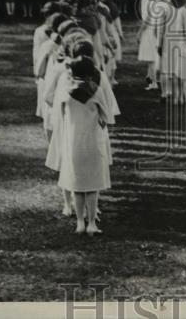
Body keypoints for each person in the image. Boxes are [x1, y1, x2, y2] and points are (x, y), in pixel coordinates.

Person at [53, 51, 118, 236]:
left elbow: (61, 114)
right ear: (90, 73)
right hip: (92, 140)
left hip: (73, 141)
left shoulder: (66, 91)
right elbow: (107, 116)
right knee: (92, 185)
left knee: (77, 184)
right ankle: (91, 223)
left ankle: (79, 222)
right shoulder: (95, 90)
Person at [137, 0, 161, 90]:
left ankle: (154, 82)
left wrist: (140, 32)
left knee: (151, 58)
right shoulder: (156, 2)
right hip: (155, 29)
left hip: (150, 30)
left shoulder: (152, 3)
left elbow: (147, 20)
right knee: (151, 57)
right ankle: (150, 76)